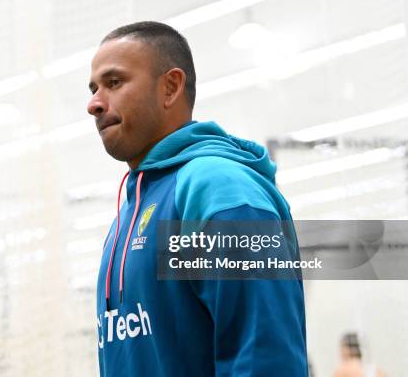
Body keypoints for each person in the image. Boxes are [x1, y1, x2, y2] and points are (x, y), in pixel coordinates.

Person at [87, 21, 308, 376]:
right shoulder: (126, 215)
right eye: (94, 88)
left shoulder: (220, 189)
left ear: (170, 87)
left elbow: (264, 356)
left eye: (114, 83)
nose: (94, 103)